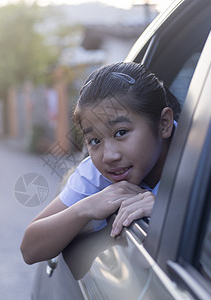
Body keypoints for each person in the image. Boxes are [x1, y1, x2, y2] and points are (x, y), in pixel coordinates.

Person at [20, 62, 180, 265]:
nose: (108, 156)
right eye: (95, 141)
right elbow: (30, 249)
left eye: (121, 132)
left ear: (164, 123)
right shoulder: (96, 175)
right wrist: (86, 208)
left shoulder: (206, 161)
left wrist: (167, 212)